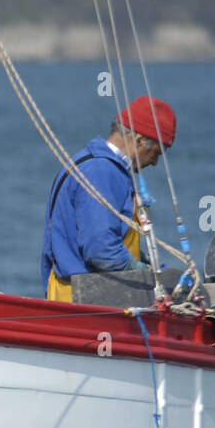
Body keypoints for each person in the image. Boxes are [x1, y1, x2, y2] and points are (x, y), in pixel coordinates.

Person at [40, 95, 176, 302]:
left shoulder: (91, 162)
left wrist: (146, 261)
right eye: (156, 153)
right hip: (84, 301)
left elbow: (107, 233)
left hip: (82, 293)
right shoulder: (102, 171)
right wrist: (146, 275)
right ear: (139, 140)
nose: (155, 162)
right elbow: (101, 250)